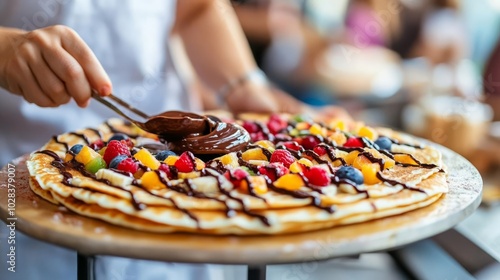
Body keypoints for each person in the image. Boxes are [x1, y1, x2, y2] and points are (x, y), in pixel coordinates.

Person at [0, 0, 348, 279]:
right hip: (28, 186)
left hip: (183, 187)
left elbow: (197, 8)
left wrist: (244, 86)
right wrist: (5, 48)